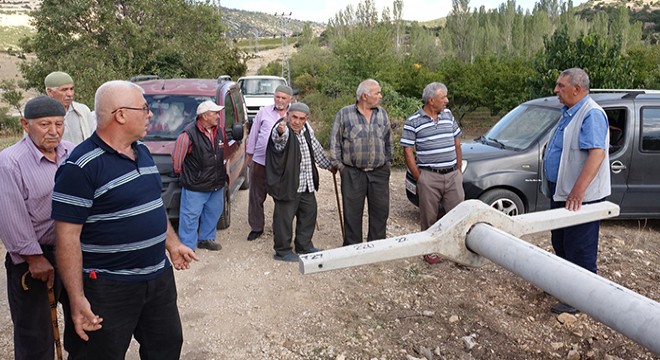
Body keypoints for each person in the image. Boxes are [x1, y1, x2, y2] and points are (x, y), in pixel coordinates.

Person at [52, 80, 198, 359]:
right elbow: (66, 238)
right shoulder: (80, 167)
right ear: (120, 114)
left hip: (157, 278)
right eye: (144, 108)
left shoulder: (141, 151)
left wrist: (173, 244)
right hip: (108, 287)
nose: (150, 114)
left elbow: (153, 206)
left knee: (166, 347)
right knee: (97, 354)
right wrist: (76, 298)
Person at [0, 96, 76, 360]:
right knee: (35, 332)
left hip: (73, 249)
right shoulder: (10, 162)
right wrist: (34, 258)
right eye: (44, 124)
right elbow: (10, 216)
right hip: (34, 258)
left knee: (82, 317)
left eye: (59, 123)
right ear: (25, 124)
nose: (53, 131)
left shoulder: (71, 152)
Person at [542, 68, 610, 314]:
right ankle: (565, 288)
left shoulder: (591, 114)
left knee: (579, 247)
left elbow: (597, 154)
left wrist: (578, 192)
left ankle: (580, 299)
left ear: (577, 89)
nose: (556, 90)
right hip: (562, 194)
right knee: (561, 242)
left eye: (560, 86)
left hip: (580, 199)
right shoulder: (569, 112)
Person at [401, 82, 464, 264]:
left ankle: (457, 251)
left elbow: (457, 142)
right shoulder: (413, 121)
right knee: (429, 216)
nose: (447, 100)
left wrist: (458, 171)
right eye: (443, 97)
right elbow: (407, 151)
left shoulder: (449, 115)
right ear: (431, 100)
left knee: (458, 215)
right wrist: (420, 177)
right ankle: (430, 251)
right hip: (429, 177)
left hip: (452, 176)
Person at [266, 103, 334, 262]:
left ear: (306, 119)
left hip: (306, 184)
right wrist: (280, 130)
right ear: (288, 115)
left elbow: (317, 152)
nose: (296, 121)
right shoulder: (283, 130)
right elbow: (279, 138)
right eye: (294, 117)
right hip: (288, 185)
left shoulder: (306, 133)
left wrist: (331, 166)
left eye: (301, 118)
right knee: (284, 219)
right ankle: (282, 251)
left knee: (309, 214)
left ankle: (304, 245)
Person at [329, 79, 393, 246]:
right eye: (377, 93)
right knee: (352, 213)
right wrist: (340, 166)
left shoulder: (382, 113)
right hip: (352, 173)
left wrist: (388, 163)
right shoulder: (344, 114)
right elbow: (334, 142)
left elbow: (388, 140)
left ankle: (376, 246)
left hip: (379, 172)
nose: (381, 96)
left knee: (380, 212)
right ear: (365, 96)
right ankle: (353, 247)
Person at [170, 100, 227, 251]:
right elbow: (177, 160)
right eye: (215, 113)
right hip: (196, 186)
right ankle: (187, 247)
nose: (218, 116)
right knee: (189, 218)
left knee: (213, 212)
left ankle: (206, 239)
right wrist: (188, 177)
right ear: (205, 116)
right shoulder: (187, 134)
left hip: (216, 184)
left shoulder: (218, 130)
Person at [245, 85, 294, 241]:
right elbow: (254, 134)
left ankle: (279, 227)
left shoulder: (295, 114)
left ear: (290, 100)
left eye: (283, 98)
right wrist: (249, 155)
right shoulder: (263, 112)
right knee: (256, 195)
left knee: (281, 196)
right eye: (277, 96)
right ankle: (256, 227)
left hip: (283, 164)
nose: (279, 100)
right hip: (261, 160)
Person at [45, 71, 95, 144]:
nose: (70, 94)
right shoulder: (40, 115)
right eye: (64, 90)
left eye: (71, 89)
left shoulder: (83, 111)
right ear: (50, 92)